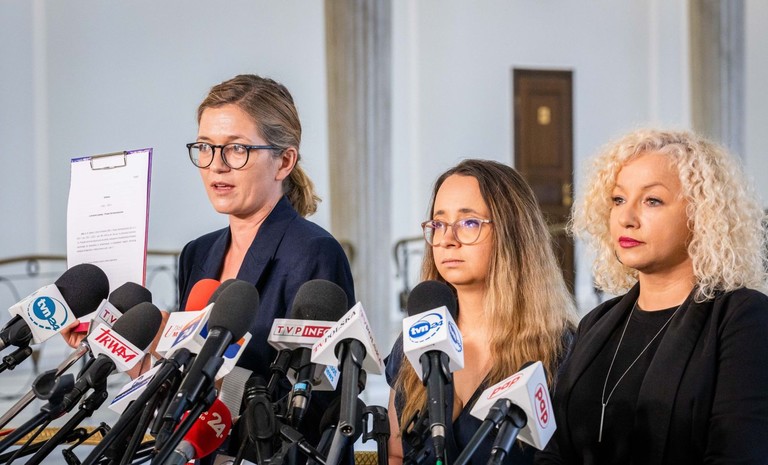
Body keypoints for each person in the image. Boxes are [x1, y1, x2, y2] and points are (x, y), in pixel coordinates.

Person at [536, 129, 768, 464]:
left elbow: (739, 453)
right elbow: (555, 449)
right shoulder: (596, 323)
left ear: (702, 214)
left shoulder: (743, 318)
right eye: (618, 200)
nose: (626, 218)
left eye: (652, 201)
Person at [178, 74, 355, 454]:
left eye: (236, 149)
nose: (216, 165)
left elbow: (319, 402)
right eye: (205, 147)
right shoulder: (197, 253)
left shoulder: (314, 252)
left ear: (284, 161)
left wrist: (214, 382)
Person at [386, 159, 578, 465]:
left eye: (469, 223)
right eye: (438, 224)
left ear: (512, 233)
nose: (447, 240)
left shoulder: (561, 351)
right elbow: (396, 454)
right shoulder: (417, 338)